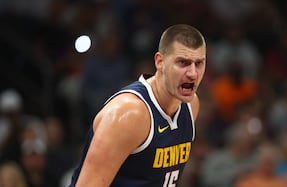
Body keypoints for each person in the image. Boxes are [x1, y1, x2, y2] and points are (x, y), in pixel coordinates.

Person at [69, 24, 207, 186]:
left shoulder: (191, 106)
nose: (192, 73)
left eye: (199, 63)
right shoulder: (128, 114)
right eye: (183, 63)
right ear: (160, 62)